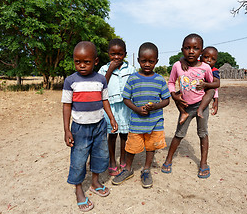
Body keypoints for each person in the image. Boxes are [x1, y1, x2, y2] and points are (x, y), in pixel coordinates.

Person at [62, 41, 118, 212]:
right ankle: (79, 189)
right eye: (77, 61)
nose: (81, 65)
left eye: (86, 62)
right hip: (79, 128)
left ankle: (95, 182)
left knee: (100, 155)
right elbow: (66, 105)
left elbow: (105, 100)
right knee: (78, 160)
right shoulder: (70, 81)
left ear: (95, 61)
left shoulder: (101, 80)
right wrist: (67, 129)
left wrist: (112, 118)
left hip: (99, 125)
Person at [112, 42, 170, 188]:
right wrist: (137, 109)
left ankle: (146, 170)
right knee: (131, 147)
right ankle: (128, 169)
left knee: (151, 147)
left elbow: (167, 100)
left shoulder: (159, 80)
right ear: (138, 60)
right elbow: (126, 98)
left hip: (155, 122)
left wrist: (155, 106)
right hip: (137, 121)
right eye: (144, 61)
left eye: (151, 61)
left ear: (156, 61)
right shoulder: (133, 79)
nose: (147, 64)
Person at [161, 33, 214, 179]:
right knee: (179, 134)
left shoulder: (206, 68)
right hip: (185, 107)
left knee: (203, 134)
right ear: (182, 49)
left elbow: (211, 86)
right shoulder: (178, 65)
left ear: (201, 51)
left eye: (195, 48)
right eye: (187, 48)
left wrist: (210, 101)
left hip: (201, 105)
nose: (191, 51)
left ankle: (203, 163)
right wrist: (174, 95)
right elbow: (171, 82)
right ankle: (168, 159)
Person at [98, 38, 136, 176]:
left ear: (125, 54)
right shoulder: (103, 69)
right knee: (112, 135)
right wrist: (110, 69)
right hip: (111, 107)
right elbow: (101, 85)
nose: (116, 57)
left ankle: (123, 158)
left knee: (125, 134)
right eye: (113, 54)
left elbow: (134, 86)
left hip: (126, 106)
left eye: (119, 54)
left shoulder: (131, 69)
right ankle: (112, 160)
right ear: (108, 54)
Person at [177, 46, 220, 124]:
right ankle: (183, 112)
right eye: (206, 57)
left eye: (213, 59)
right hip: (192, 90)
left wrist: (215, 100)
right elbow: (183, 58)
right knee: (176, 95)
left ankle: (200, 109)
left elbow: (217, 84)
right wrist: (183, 61)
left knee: (211, 91)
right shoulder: (196, 64)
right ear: (201, 56)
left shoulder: (214, 70)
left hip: (205, 93)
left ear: (216, 61)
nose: (209, 60)